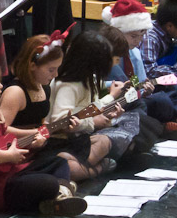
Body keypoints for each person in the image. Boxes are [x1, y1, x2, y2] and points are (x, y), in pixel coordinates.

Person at [0, 56, 87, 216]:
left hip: (8, 175)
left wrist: (35, 135)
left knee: (59, 162)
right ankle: (60, 192)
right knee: (48, 183)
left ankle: (58, 197)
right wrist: (9, 155)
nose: (1, 86)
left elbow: (5, 131)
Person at [0, 33, 94, 181]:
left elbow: (40, 123)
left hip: (37, 146)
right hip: (18, 151)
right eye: (51, 70)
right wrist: (34, 133)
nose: (55, 74)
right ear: (32, 66)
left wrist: (61, 126)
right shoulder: (15, 92)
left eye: (57, 69)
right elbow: (0, 129)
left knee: (82, 144)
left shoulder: (43, 88)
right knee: (65, 163)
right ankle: (93, 171)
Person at [49, 31, 142, 175]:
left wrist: (109, 114)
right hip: (62, 141)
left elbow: (93, 108)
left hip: (81, 138)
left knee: (107, 140)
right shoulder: (68, 85)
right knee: (68, 166)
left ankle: (84, 166)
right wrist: (93, 122)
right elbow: (59, 121)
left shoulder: (89, 79)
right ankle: (95, 169)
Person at [101, 0, 177, 130]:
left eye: (141, 36)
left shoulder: (135, 53)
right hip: (114, 101)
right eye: (133, 36)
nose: (138, 41)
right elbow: (92, 82)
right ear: (118, 32)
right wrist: (113, 86)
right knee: (162, 101)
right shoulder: (103, 53)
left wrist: (146, 89)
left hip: (136, 98)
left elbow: (138, 82)